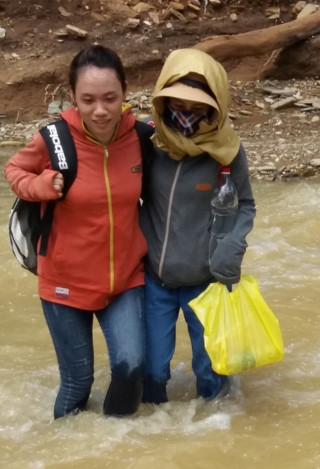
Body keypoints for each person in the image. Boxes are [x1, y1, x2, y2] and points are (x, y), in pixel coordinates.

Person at [4, 45, 148, 419]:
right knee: (77, 383)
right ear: (72, 96)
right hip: (64, 281)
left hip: (125, 278)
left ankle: (116, 447)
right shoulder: (54, 139)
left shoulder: (142, 139)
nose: (100, 110)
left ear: (125, 93)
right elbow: (15, 171)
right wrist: (42, 186)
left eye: (109, 98)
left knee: (131, 369)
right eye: (88, 100)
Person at [140, 48, 256, 403]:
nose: (186, 115)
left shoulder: (227, 152)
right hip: (153, 280)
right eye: (178, 105)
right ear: (164, 101)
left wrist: (231, 250)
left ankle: (216, 429)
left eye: (197, 108)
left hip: (205, 283)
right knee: (155, 370)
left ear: (215, 105)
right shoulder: (148, 143)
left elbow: (246, 205)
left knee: (209, 371)